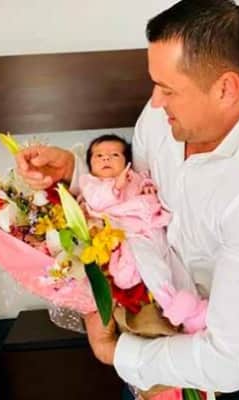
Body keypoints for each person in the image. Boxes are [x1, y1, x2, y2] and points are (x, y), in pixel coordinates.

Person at [14, 1, 239, 398]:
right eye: (155, 84)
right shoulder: (163, 117)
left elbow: (228, 361)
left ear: (226, 88)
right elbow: (137, 196)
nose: (156, 102)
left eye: (169, 90)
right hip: (142, 336)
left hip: (207, 373)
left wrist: (115, 352)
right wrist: (76, 175)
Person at [81, 134, 207, 333]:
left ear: (126, 161)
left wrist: (147, 188)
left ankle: (196, 314)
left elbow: (146, 190)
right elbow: (97, 201)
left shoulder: (134, 176)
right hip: (132, 234)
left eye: (114, 155)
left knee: (174, 265)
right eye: (99, 156)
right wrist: (116, 186)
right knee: (153, 268)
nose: (106, 159)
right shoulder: (91, 183)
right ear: (90, 164)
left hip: (153, 228)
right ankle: (170, 302)